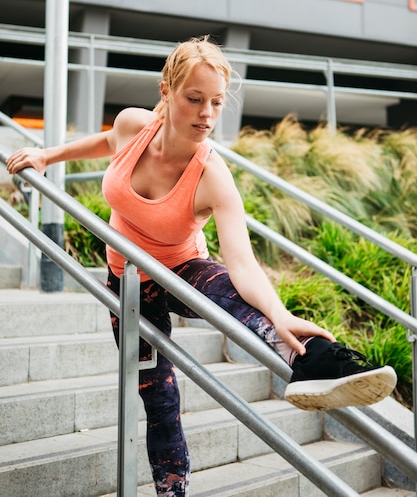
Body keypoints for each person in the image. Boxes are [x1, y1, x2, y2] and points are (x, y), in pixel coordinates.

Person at [6, 35, 397, 497]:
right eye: (194, 99)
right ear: (166, 92)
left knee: (233, 297)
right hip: (127, 287)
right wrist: (47, 155)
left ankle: (314, 361)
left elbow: (244, 266)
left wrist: (280, 311)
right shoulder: (135, 126)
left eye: (215, 102)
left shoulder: (212, 175)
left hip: (183, 270)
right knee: (161, 401)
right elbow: (104, 141)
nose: (207, 115)